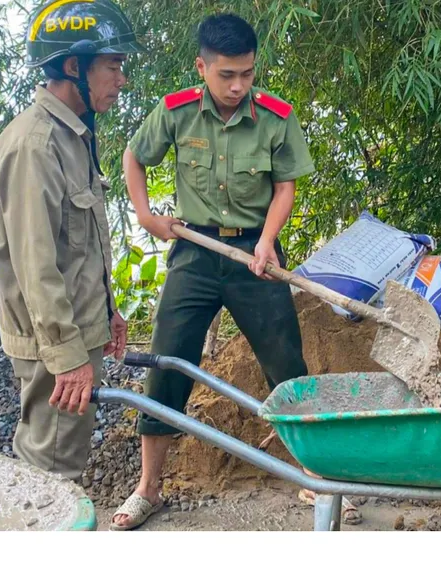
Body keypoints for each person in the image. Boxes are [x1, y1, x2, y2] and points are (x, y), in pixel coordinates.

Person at [113, 13, 361, 530]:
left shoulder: (276, 116)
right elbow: (134, 157)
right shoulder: (176, 111)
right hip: (195, 253)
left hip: (255, 256)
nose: (238, 86)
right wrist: (145, 215)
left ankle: (317, 479)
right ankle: (148, 488)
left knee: (286, 365)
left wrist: (267, 242)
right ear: (201, 67)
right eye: (226, 75)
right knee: (168, 362)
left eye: (247, 73)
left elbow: (285, 187)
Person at [0, 0, 143, 481]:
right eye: (113, 66)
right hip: (55, 343)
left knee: (63, 460)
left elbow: (78, 246)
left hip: (77, 328)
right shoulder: (35, 145)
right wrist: (68, 356)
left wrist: (106, 311)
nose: (121, 80)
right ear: (74, 67)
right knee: (50, 470)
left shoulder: (74, 135)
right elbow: (35, 266)